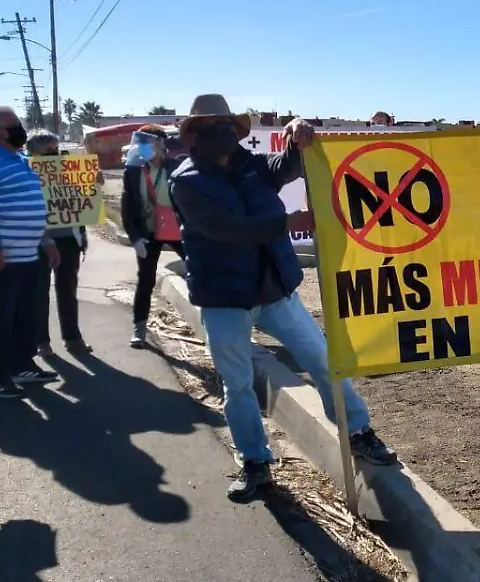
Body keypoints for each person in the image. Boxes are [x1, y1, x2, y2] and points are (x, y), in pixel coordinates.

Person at [169, 94, 396, 501]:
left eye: (226, 125)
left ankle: (359, 432)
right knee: (237, 386)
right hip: (224, 299)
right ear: (194, 136)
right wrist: (287, 222)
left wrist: (295, 135)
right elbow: (225, 229)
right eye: (210, 127)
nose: (222, 133)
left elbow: (285, 166)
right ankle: (255, 462)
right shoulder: (185, 181)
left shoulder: (250, 165)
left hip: (275, 291)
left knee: (326, 362)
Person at [0, 106, 61, 398]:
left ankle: (22, 365)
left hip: (29, 255)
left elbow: (33, 204)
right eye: (12, 126)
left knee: (25, 314)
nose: (19, 129)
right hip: (2, 259)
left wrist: (45, 240)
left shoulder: (20, 159)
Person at [25, 132, 94, 356]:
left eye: (56, 149)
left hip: (67, 239)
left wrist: (93, 184)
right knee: (38, 292)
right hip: (36, 241)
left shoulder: (70, 170)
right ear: (32, 153)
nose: (54, 154)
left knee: (68, 290)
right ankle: (41, 341)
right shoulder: (25, 172)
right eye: (48, 150)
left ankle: (73, 338)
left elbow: (81, 205)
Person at [121, 125, 185, 348]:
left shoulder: (177, 167)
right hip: (148, 231)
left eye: (146, 143)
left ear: (160, 145)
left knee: (200, 269)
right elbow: (127, 208)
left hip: (178, 230)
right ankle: (139, 328)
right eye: (139, 143)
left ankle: (212, 318)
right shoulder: (134, 170)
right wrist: (135, 238)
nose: (141, 148)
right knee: (146, 279)